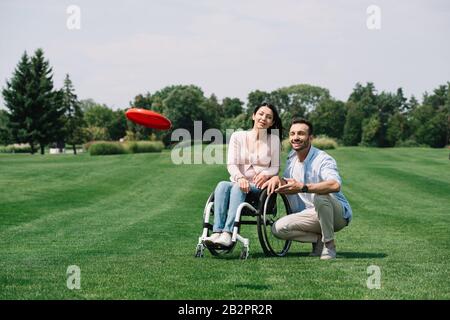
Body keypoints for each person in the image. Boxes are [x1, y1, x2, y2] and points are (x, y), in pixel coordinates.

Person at [262, 118, 352, 260]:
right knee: (277, 229)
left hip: (336, 215)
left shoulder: (323, 159)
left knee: (320, 196)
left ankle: (329, 245)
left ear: (310, 138)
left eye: (300, 134)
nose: (295, 138)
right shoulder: (291, 158)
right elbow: (289, 182)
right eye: (292, 134)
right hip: (309, 215)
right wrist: (276, 178)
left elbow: (335, 185)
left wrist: (303, 188)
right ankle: (318, 241)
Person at [203, 102, 282, 247]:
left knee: (237, 187)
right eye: (261, 114)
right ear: (254, 116)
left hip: (259, 188)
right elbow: (231, 164)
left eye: (269, 117)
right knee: (222, 185)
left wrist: (265, 173)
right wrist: (240, 178)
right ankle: (216, 232)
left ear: (272, 123)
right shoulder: (238, 136)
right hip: (237, 183)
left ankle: (227, 233)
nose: (264, 118)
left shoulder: (274, 140)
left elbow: (275, 168)